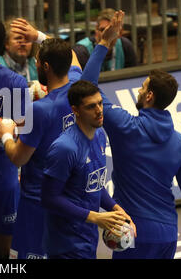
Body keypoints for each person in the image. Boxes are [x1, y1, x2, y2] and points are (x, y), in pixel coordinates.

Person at [0, 13, 123, 259]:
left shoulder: (40, 109)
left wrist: (7, 135)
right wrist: (38, 35)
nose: (36, 63)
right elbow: (70, 55)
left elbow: (19, 159)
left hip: (39, 203)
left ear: (45, 67)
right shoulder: (78, 86)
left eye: (38, 61)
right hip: (75, 201)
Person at [81, 10, 181, 259]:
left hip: (133, 233)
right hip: (168, 235)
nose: (139, 89)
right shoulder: (179, 143)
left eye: (143, 86)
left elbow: (87, 88)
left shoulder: (126, 127)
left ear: (149, 96)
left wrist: (104, 43)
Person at [41, 79, 135, 259]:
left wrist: (116, 208)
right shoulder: (64, 148)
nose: (99, 110)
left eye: (100, 103)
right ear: (75, 110)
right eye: (91, 107)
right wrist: (95, 217)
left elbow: (93, 185)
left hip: (88, 239)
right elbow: (49, 198)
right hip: (65, 245)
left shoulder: (99, 134)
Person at [0, 18, 38, 82]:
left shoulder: (36, 66)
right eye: (18, 39)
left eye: (27, 39)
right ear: (6, 43)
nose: (23, 43)